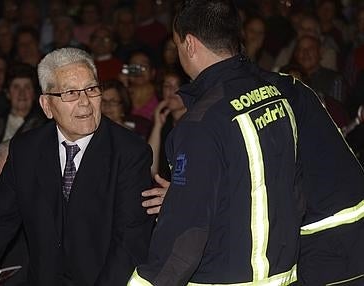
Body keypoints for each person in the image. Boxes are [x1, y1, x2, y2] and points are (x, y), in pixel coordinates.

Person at [0, 47, 154, 285]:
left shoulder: (129, 152)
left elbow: (129, 242)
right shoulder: (26, 150)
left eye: (92, 89)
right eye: (71, 93)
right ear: (46, 105)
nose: (85, 102)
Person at [129, 0, 302, 284]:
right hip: (280, 274)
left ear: (190, 44)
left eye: (176, 44)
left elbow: (185, 235)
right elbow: (268, 183)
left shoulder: (201, 122)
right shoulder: (275, 95)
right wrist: (190, 192)